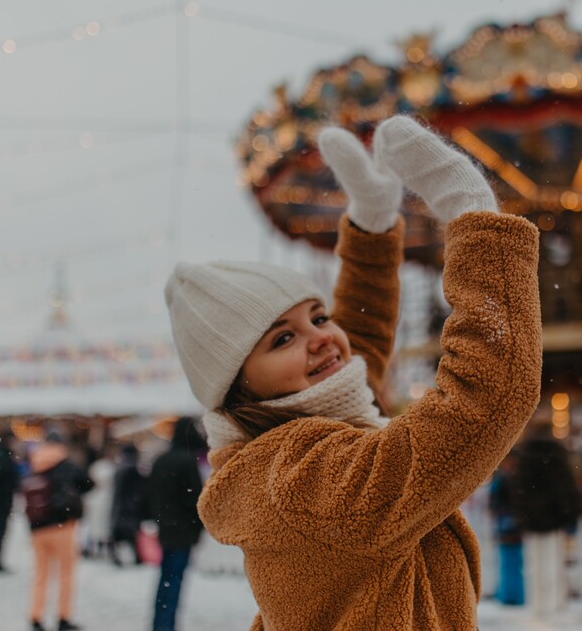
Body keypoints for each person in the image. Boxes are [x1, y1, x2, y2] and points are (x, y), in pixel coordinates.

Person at [164, 115, 542, 629]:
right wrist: (474, 218)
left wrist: (372, 226)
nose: (320, 336)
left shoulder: (291, 445)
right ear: (236, 386)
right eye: (282, 338)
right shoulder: (299, 482)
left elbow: (354, 347)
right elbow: (481, 403)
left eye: (318, 316)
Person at [510, 415, 582, 615]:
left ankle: (537, 601)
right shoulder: (556, 453)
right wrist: (570, 510)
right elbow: (564, 486)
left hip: (531, 517)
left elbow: (518, 488)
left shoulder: (524, 454)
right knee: (553, 560)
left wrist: (522, 512)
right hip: (552, 515)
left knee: (534, 561)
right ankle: (553, 601)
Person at [25, 432, 95, 631]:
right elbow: (89, 484)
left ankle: (35, 616)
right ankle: (63, 617)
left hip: (37, 528)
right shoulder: (67, 464)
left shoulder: (34, 463)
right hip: (62, 526)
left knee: (41, 574)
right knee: (65, 573)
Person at [147, 418, 204, 631]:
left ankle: (160, 623)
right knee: (174, 581)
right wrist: (197, 525)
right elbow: (195, 499)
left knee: (165, 579)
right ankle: (166, 625)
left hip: (166, 529)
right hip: (183, 531)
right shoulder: (187, 461)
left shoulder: (161, 460)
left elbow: (150, 495)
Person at [489, 450, 524, 606]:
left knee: (510, 560)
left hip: (508, 522)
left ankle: (509, 593)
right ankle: (511, 593)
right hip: (511, 521)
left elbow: (494, 501)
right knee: (510, 560)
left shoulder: (503, 478)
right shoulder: (513, 479)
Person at [0, 430, 21, 573]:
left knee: (0, 530)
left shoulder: (1, 455)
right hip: (3, 497)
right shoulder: (4, 456)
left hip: (3, 497)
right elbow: (5, 477)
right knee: (0, 530)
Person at [110, 443, 148, 567]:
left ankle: (117, 557)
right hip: (130, 508)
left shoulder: (119, 468)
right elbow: (140, 491)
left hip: (119, 507)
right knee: (131, 535)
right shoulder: (133, 469)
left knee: (119, 534)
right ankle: (137, 558)